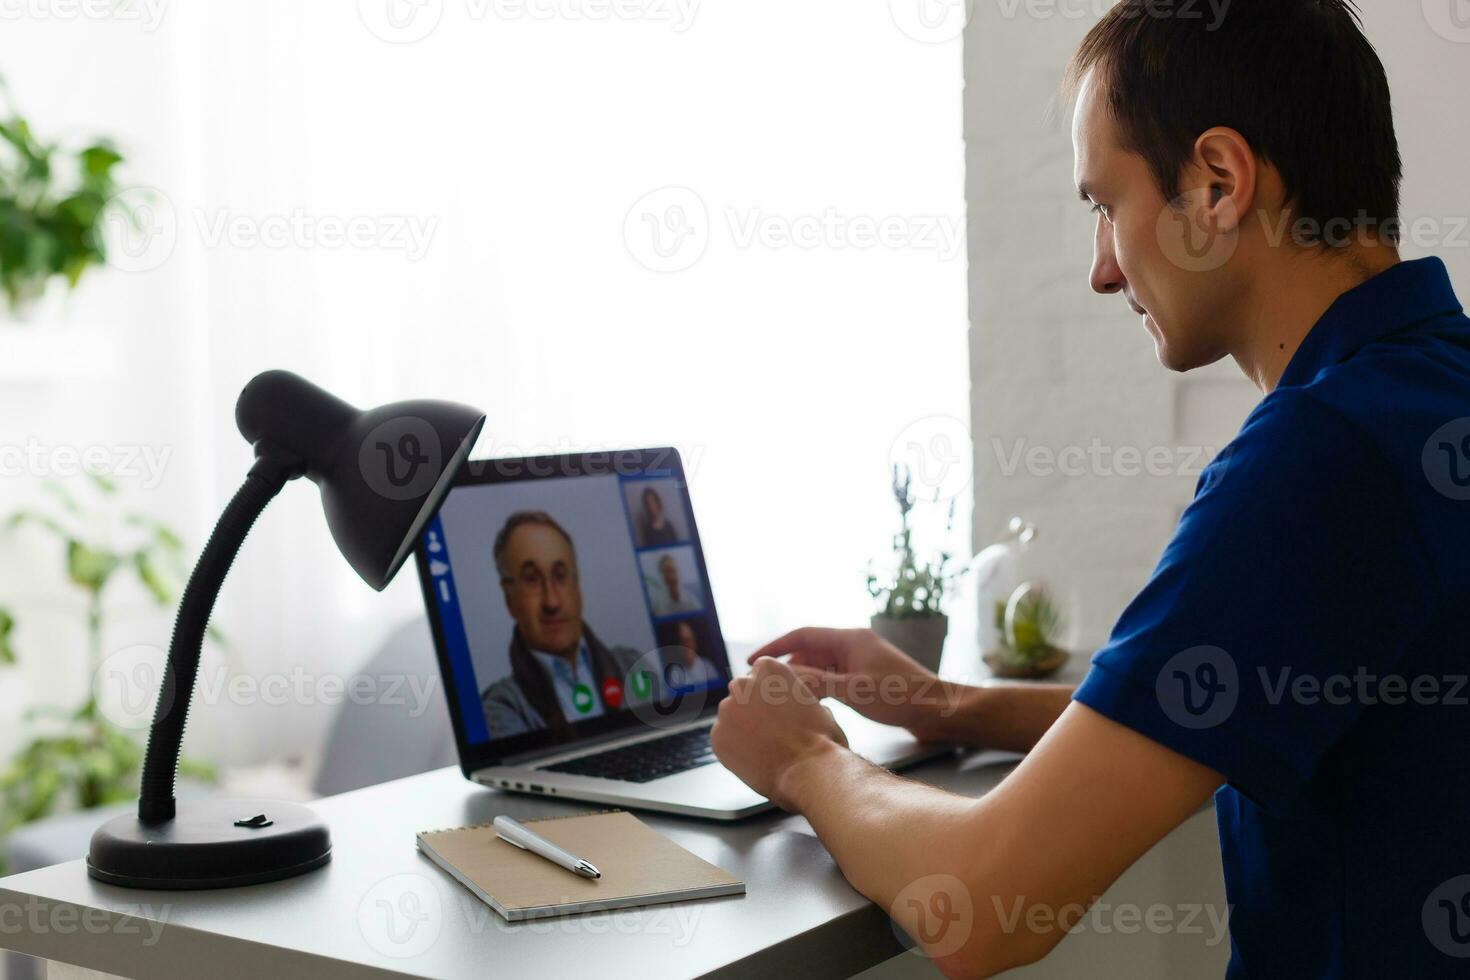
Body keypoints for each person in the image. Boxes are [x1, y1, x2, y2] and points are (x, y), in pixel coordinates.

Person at [710, 3, 1470, 976]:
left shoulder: (1322, 455)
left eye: (1106, 204)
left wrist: (802, 758)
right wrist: (946, 705)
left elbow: (983, 905)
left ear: (1220, 182)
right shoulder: (1427, 393)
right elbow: (1235, 697)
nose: (1103, 269)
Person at [480, 511, 652, 739]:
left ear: (577, 587)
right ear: (509, 599)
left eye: (560, 576)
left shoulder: (632, 665)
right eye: (531, 579)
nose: (552, 601)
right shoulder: (503, 706)